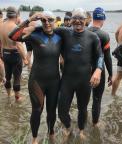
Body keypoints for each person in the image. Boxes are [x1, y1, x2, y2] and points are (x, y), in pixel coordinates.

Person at [9, 11, 62, 144]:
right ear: (40, 21)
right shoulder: (34, 35)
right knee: (37, 110)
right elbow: (13, 36)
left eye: (50, 20)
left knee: (51, 111)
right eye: (44, 20)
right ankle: (34, 138)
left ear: (55, 21)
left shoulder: (61, 36)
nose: (47, 23)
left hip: (54, 81)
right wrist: (29, 20)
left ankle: (51, 134)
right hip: (37, 80)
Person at [55, 8, 104, 139]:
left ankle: (81, 130)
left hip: (84, 81)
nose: (78, 20)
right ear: (70, 20)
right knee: (61, 110)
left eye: (81, 18)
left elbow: (100, 55)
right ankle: (68, 126)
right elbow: (46, 28)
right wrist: (32, 21)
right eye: (75, 18)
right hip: (67, 79)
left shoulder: (93, 37)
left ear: (86, 20)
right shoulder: (64, 32)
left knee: (83, 109)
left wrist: (98, 70)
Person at [88, 7, 112, 126]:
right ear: (103, 19)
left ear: (93, 18)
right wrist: (111, 74)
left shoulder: (84, 32)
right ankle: (95, 123)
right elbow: (107, 57)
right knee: (96, 99)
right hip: (98, 71)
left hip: (83, 70)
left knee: (83, 98)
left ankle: (81, 126)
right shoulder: (104, 35)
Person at [0, 6, 26, 101]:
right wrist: (25, 59)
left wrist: (2, 53)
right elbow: (19, 45)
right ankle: (17, 98)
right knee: (17, 77)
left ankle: (8, 95)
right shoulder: (15, 27)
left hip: (5, 53)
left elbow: (1, 42)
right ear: (16, 15)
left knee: (7, 76)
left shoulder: (1, 25)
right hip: (15, 54)